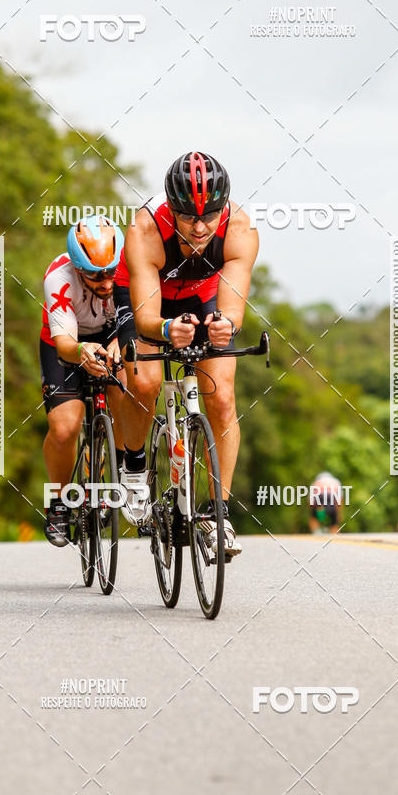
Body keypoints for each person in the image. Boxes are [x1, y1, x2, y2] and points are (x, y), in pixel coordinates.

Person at [113, 151, 259, 558]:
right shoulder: (145, 229)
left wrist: (225, 324)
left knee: (223, 398)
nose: (199, 227)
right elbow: (145, 318)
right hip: (146, 300)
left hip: (203, 298)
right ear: (171, 208)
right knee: (144, 382)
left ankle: (218, 514)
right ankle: (136, 466)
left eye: (210, 216)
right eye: (188, 217)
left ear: (223, 207)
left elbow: (232, 307)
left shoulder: (240, 230)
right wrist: (164, 330)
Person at [40, 216, 126, 546]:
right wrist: (83, 352)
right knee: (64, 428)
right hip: (66, 341)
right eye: (95, 274)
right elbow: (64, 345)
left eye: (110, 271)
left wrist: (120, 342)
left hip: (112, 335)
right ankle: (59, 503)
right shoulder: (58, 278)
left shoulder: (126, 268)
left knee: (128, 389)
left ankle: (119, 471)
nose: (106, 282)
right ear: (77, 268)